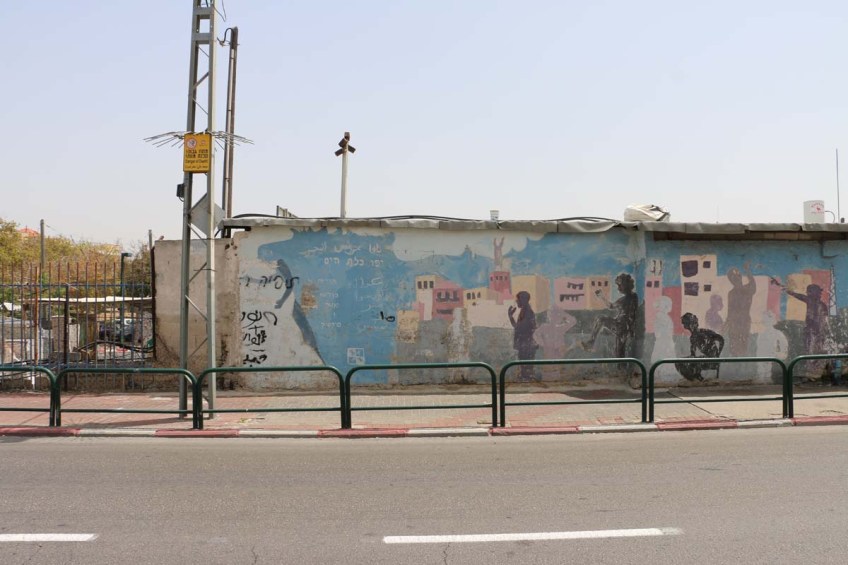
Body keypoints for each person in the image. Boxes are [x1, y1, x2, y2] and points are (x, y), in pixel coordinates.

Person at [581, 273, 638, 357]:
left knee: (601, 319)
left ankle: (591, 342)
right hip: (625, 328)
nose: (618, 288)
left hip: (621, 326)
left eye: (620, 285)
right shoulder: (632, 297)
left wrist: (601, 297)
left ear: (626, 285)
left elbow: (611, 306)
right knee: (619, 352)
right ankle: (622, 368)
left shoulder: (626, 299)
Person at [676, 312, 724, 382]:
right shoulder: (693, 337)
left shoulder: (704, 332)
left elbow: (721, 339)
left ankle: (696, 379)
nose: (683, 325)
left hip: (711, 361)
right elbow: (693, 354)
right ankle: (696, 379)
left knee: (684, 363)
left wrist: (718, 355)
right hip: (706, 359)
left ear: (689, 324)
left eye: (684, 323)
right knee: (679, 362)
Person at [724, 263, 756, 356]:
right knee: (735, 343)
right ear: (731, 280)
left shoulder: (747, 289)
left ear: (740, 277)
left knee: (743, 342)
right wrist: (726, 324)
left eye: (738, 276)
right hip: (735, 323)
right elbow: (730, 311)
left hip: (743, 321)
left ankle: (741, 358)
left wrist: (747, 271)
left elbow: (753, 283)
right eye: (733, 277)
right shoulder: (732, 293)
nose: (736, 279)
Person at [508, 291, 538, 382]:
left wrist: (510, 316)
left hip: (526, 344)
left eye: (518, 299)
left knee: (526, 366)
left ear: (523, 300)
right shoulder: (524, 311)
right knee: (525, 366)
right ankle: (526, 379)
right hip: (525, 344)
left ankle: (527, 380)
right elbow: (519, 327)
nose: (516, 302)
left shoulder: (527, 312)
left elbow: (519, 328)